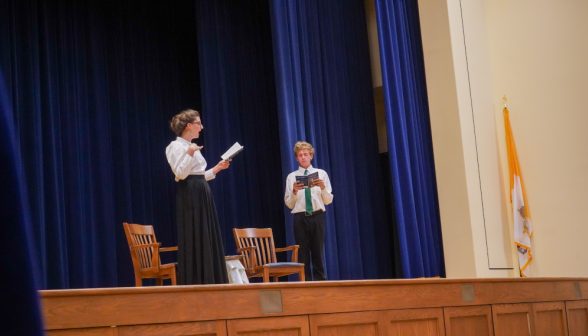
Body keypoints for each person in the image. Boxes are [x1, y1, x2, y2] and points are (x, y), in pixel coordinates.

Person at [166, 109, 230, 285]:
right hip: (190, 194)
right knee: (194, 234)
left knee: (206, 234)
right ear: (189, 125)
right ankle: (196, 281)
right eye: (198, 124)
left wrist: (217, 168)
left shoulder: (191, 146)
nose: (201, 127)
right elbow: (181, 174)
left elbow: (199, 175)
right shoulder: (175, 147)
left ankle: (211, 279)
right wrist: (190, 153)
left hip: (201, 190)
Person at [284, 141, 333, 281]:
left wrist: (323, 187)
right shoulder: (291, 177)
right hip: (300, 218)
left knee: (318, 251)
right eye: (300, 155)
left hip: (317, 216)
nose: (303, 157)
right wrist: (294, 191)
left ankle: (321, 283)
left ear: (311, 156)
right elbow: (289, 204)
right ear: (296, 158)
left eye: (306, 154)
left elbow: (328, 200)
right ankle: (305, 284)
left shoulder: (321, 174)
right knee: (303, 253)